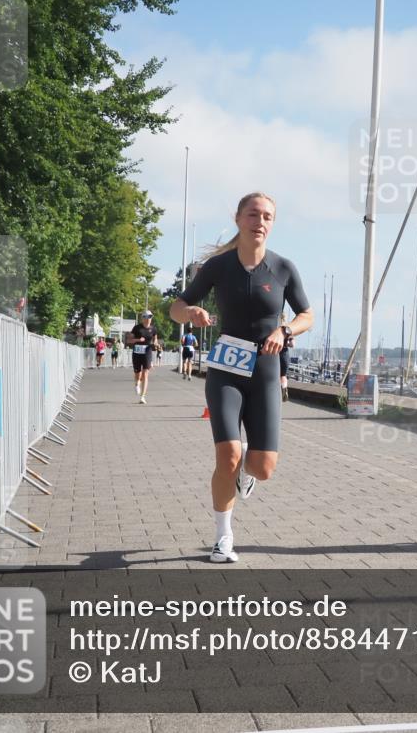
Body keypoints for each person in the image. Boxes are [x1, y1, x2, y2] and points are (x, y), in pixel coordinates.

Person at [170, 192, 312, 564]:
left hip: (265, 372)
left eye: (267, 216)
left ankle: (245, 471)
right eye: (253, 214)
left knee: (263, 468)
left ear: (272, 223)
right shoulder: (218, 267)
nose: (260, 221)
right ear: (238, 219)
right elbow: (176, 308)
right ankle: (223, 537)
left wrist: (285, 330)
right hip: (226, 371)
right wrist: (193, 312)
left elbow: (307, 314)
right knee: (228, 454)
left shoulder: (283, 268)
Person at [127, 310, 159, 404]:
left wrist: (156, 344)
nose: (148, 319)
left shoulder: (153, 329)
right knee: (138, 374)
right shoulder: (137, 328)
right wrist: (138, 339)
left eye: (150, 317)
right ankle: (137, 383)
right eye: (146, 317)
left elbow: (155, 339)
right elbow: (129, 340)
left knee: (145, 373)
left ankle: (143, 397)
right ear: (143, 318)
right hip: (137, 351)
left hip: (147, 351)